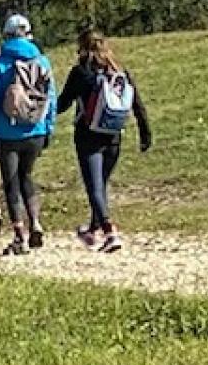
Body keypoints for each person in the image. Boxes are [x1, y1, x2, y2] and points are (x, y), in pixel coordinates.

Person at [64, 28, 151, 252]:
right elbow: (137, 104)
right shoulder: (119, 73)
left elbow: (63, 102)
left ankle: (109, 231)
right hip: (113, 136)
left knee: (94, 187)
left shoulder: (81, 72)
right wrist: (144, 132)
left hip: (87, 136)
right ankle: (92, 230)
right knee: (100, 185)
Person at [0, 10, 60, 254]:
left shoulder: (1, 63)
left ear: (6, 35)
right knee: (27, 177)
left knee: (11, 182)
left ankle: (19, 234)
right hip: (35, 129)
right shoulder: (42, 61)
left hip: (8, 132)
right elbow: (51, 97)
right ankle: (36, 222)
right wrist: (49, 126)